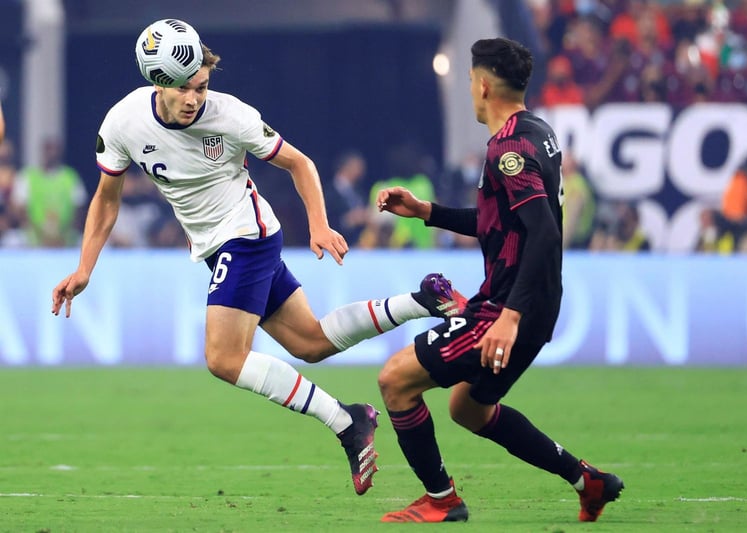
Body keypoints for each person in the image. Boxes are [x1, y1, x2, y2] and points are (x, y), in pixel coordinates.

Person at [50, 20, 467, 497]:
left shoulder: (231, 116)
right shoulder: (123, 123)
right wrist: (85, 268)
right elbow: (107, 197)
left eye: (201, 86)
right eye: (183, 88)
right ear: (158, 83)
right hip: (216, 245)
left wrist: (319, 224)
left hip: (245, 235)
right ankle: (424, 299)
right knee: (312, 343)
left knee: (224, 359)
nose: (194, 99)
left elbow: (300, 163)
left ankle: (346, 422)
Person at [374, 38, 623, 523]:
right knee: (468, 408)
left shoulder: (508, 148)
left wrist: (509, 317)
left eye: (469, 81)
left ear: (484, 84)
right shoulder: (536, 132)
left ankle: (441, 502)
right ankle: (587, 480)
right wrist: (428, 212)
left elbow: (545, 235)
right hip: (529, 303)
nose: (470, 89)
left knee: (396, 381)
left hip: (509, 307)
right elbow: (502, 222)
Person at [12, 137, 88, 247]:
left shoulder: (70, 177)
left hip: (65, 237)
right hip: (33, 236)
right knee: (11, 241)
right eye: (48, 150)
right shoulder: (28, 176)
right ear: (43, 151)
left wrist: (63, 234)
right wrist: (40, 234)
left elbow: (79, 209)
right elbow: (19, 210)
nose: (52, 154)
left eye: (55, 150)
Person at [326, 150, 370, 245]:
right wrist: (348, 220)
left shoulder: (360, 192)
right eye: (358, 167)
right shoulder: (327, 193)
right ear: (346, 167)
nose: (362, 171)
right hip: (335, 245)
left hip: (361, 246)